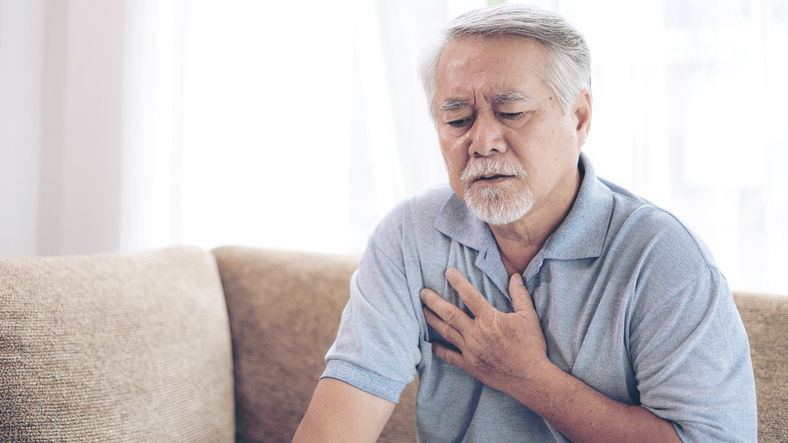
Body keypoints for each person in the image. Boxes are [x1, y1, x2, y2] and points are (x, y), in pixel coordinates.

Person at [293, 4, 757, 442]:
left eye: (511, 113)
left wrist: (532, 380)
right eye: (457, 118)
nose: (482, 141)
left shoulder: (663, 257)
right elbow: (339, 419)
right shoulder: (409, 235)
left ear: (579, 117)